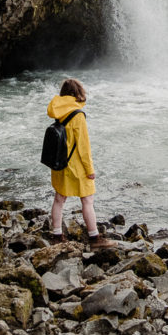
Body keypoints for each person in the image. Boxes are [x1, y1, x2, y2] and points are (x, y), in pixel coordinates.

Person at [47, 78, 114, 250]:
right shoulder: (77, 115)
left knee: (59, 199)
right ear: (77, 94)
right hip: (76, 166)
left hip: (60, 163)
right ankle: (94, 238)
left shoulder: (58, 111)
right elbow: (84, 147)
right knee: (87, 200)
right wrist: (90, 170)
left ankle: (56, 235)